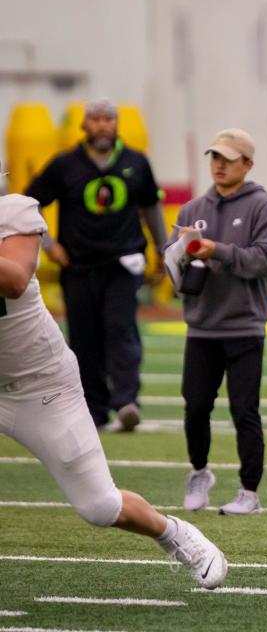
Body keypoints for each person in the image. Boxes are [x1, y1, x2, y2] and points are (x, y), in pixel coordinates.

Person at [0, 190, 226, 588]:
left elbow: (15, 280)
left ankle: (174, 533)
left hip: (40, 386)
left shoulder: (14, 212)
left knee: (100, 507)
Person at [25, 98, 168, 432]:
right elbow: (30, 203)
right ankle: (94, 410)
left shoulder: (136, 162)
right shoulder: (64, 165)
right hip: (78, 265)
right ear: (84, 125)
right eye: (96, 119)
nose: (103, 125)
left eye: (109, 119)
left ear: (116, 124)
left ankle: (127, 402)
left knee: (121, 330)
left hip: (123, 263)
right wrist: (49, 245)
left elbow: (151, 208)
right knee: (84, 339)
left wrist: (163, 249)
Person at [164, 129, 267, 516]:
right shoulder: (191, 211)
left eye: (228, 159)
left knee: (243, 410)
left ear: (247, 165)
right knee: (195, 406)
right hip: (201, 326)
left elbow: (264, 260)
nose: (218, 164)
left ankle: (249, 492)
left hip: (244, 326)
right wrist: (178, 255)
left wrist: (219, 251)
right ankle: (199, 472)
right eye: (214, 157)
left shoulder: (263, 209)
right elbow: (173, 266)